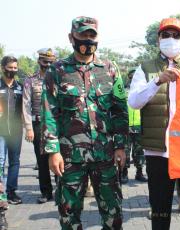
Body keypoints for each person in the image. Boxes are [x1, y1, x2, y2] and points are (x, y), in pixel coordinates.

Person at [41, 16, 128, 229]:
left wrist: (120, 146)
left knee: (113, 214)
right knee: (69, 216)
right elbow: (49, 113)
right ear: (71, 38)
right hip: (71, 157)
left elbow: (119, 110)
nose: (88, 40)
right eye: (83, 35)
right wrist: (53, 151)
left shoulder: (109, 69)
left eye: (92, 35)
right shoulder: (57, 71)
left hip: (105, 155)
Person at [128, 18, 180, 230]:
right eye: (166, 35)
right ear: (158, 40)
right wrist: (157, 81)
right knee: (160, 211)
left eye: (176, 35)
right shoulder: (145, 68)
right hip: (158, 153)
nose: (171, 39)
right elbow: (134, 102)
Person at [23, 48, 56, 204]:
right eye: (45, 62)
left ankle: (62, 189)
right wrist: (29, 127)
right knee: (42, 159)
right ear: (39, 61)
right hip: (38, 123)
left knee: (57, 155)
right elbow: (25, 105)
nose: (48, 65)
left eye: (51, 62)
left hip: (56, 124)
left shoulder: (58, 78)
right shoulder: (31, 80)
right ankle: (46, 192)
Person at [0, 56, 23, 206]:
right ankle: (1, 194)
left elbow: (24, 109)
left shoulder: (20, 87)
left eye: (15, 68)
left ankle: (11, 192)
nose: (13, 71)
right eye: (10, 68)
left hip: (15, 130)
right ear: (3, 68)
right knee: (0, 161)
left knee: (15, 162)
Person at [121, 68, 147, 183]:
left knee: (139, 152)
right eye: (131, 77)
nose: (132, 80)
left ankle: (139, 172)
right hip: (126, 126)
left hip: (139, 126)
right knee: (125, 152)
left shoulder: (143, 90)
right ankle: (124, 173)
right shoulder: (123, 91)